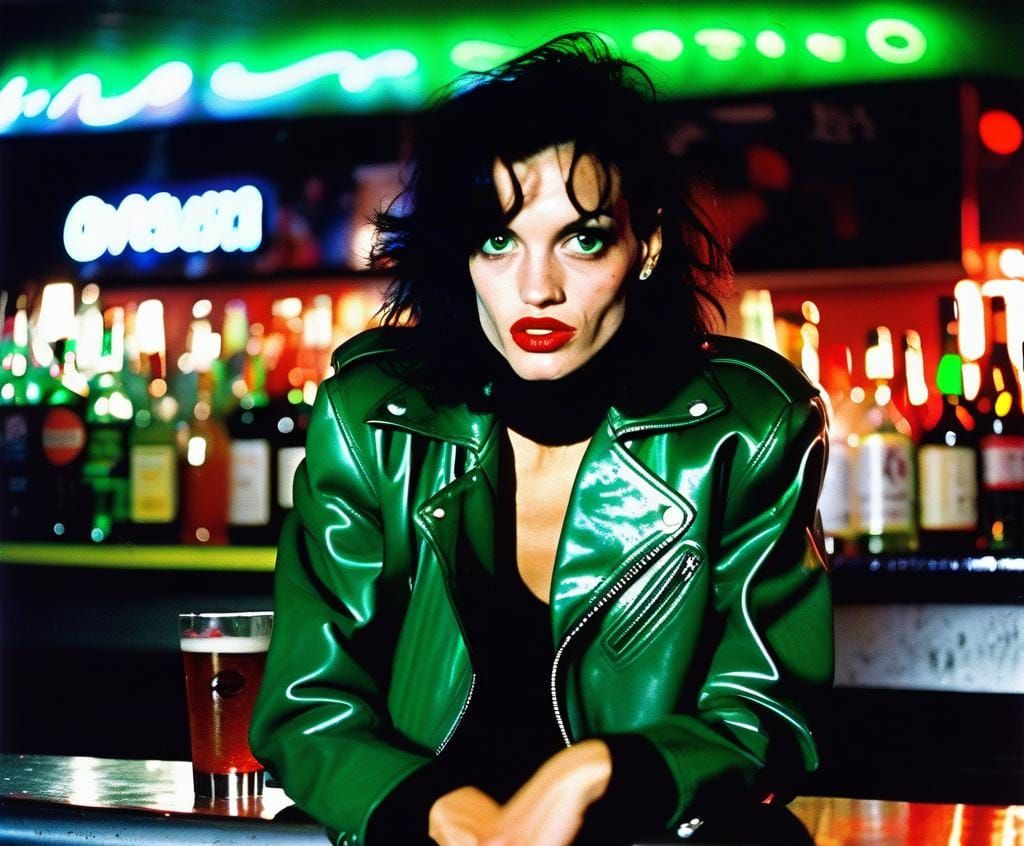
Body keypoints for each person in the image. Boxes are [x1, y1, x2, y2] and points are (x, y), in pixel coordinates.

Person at [249, 32, 833, 846]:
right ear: (461, 251)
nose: (538, 287)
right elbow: (306, 708)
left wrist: (597, 772)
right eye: (498, 239)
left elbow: (768, 711)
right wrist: (444, 812)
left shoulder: (748, 433)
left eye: (583, 238)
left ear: (647, 244)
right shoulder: (371, 420)